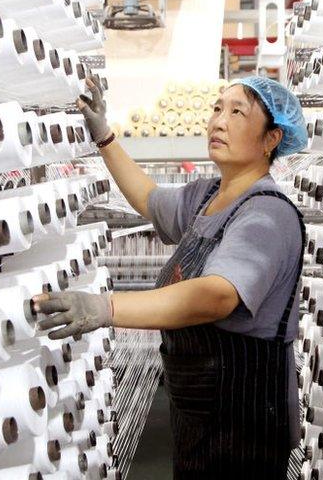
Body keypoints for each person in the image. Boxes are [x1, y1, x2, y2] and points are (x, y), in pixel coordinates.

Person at [33, 76, 308, 479]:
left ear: (272, 139)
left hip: (245, 418)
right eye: (217, 108)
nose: (218, 121)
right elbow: (147, 197)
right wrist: (104, 137)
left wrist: (107, 307)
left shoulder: (267, 216)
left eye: (237, 112)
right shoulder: (207, 197)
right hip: (199, 407)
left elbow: (217, 296)